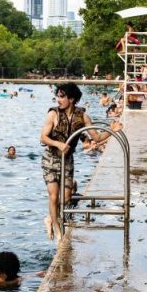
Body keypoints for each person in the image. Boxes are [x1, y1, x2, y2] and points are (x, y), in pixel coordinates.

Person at [39, 83, 106, 241]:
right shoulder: (53, 114)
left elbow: (96, 138)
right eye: (58, 96)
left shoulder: (82, 116)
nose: (58, 99)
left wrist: (113, 131)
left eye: (62, 97)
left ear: (72, 99)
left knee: (67, 197)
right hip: (51, 158)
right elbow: (43, 137)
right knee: (53, 195)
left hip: (67, 160)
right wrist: (58, 144)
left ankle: (50, 218)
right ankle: (57, 228)